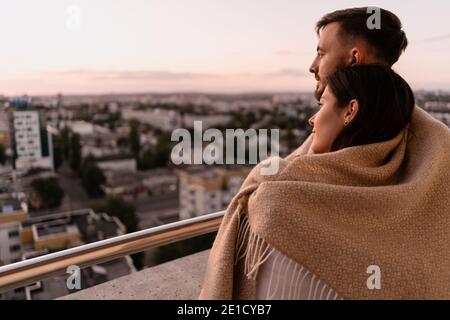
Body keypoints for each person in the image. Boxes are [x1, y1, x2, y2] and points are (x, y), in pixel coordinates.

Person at [198, 7, 450, 300]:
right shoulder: (429, 137)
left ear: (354, 59)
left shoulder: (428, 144)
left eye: (321, 52)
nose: (312, 65)